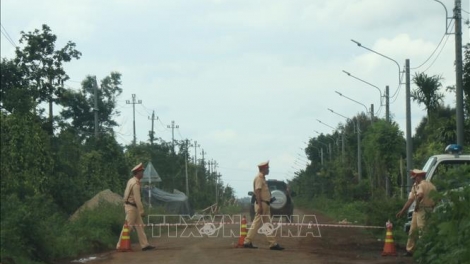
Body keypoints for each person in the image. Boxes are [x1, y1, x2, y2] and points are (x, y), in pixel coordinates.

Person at [243, 161, 284, 250]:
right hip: (262, 204)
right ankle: (247, 241)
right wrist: (260, 206)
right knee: (257, 223)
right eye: (267, 168)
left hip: (265, 204)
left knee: (267, 224)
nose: (268, 170)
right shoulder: (259, 178)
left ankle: (273, 243)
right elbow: (257, 192)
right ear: (263, 169)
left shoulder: (262, 178)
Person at [396, 169, 436, 256]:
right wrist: (402, 211)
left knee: (422, 231)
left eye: (415, 178)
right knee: (413, 230)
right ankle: (410, 249)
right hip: (423, 210)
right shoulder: (428, 185)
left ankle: (423, 252)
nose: (414, 180)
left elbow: (420, 195)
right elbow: (410, 200)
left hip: (422, 209)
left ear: (419, 177)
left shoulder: (422, 185)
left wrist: (417, 205)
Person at [116, 163, 156, 251]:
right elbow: (137, 199)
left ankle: (145, 245)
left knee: (140, 226)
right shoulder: (136, 184)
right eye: (142, 172)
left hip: (131, 206)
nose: (143, 173)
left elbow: (126, 194)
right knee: (127, 227)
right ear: (138, 173)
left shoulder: (131, 181)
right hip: (132, 207)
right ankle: (119, 245)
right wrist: (142, 211)